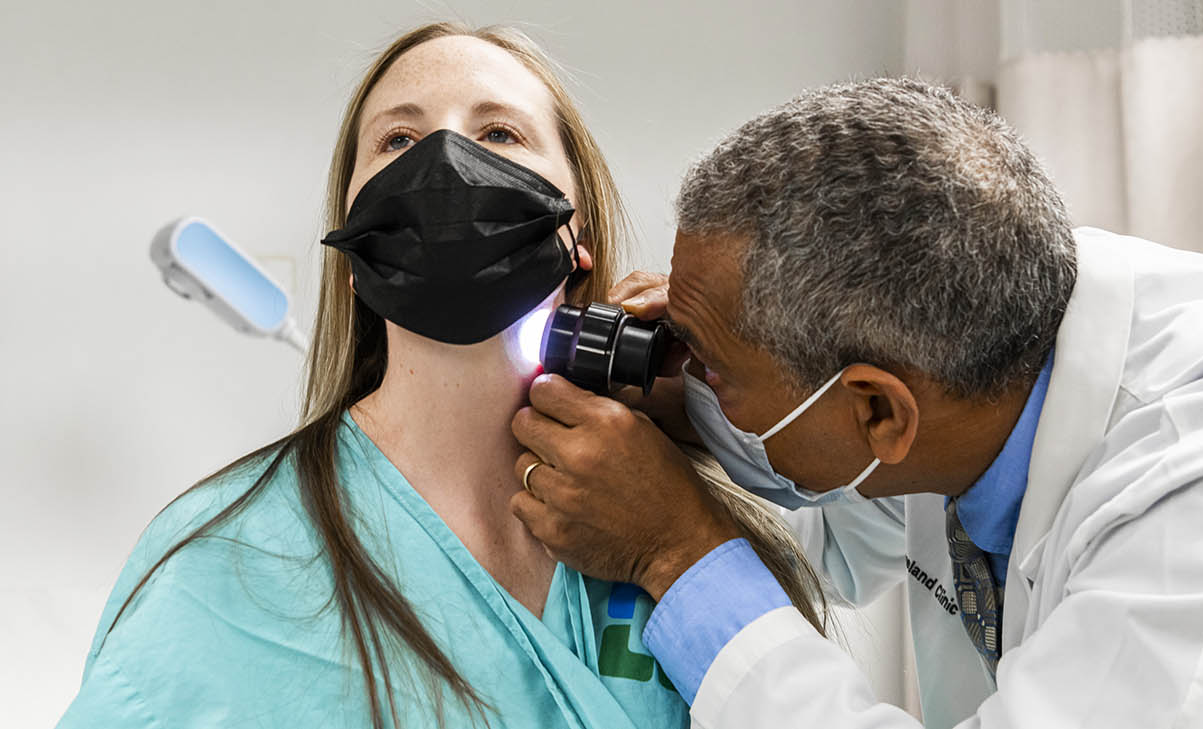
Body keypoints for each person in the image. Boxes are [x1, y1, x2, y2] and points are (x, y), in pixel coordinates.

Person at [57, 22, 826, 729]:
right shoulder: (227, 558)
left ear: (576, 239)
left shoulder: (703, 544)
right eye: (398, 139)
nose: (446, 160)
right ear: (355, 257)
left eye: (499, 132)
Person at [510, 78, 1203, 728]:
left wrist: (677, 553)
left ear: (882, 412)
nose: (688, 372)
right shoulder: (970, 331)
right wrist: (700, 405)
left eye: (714, 368)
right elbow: (829, 539)